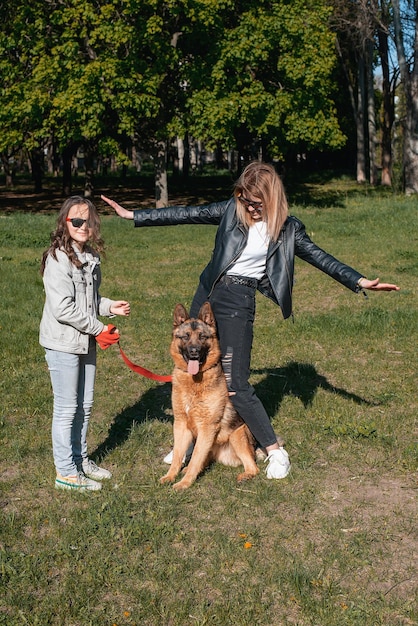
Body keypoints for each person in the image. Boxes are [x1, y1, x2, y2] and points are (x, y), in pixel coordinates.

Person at [101, 162, 399, 480]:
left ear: (272, 199)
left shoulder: (288, 229)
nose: (250, 208)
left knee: (236, 385)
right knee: (196, 371)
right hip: (208, 294)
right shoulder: (232, 210)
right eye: (245, 200)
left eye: (257, 203)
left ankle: (273, 450)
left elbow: (321, 257)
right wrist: (134, 215)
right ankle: (191, 442)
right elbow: (187, 213)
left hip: (238, 301)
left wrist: (359, 280)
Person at [40, 196, 131, 491]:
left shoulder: (90, 257)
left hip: (85, 340)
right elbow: (63, 308)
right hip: (63, 342)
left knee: (85, 405)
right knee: (67, 408)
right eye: (76, 221)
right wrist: (99, 328)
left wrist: (108, 307)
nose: (82, 226)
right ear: (64, 224)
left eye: (87, 222)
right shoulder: (57, 258)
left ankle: (80, 460)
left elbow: (88, 301)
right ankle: (65, 473)